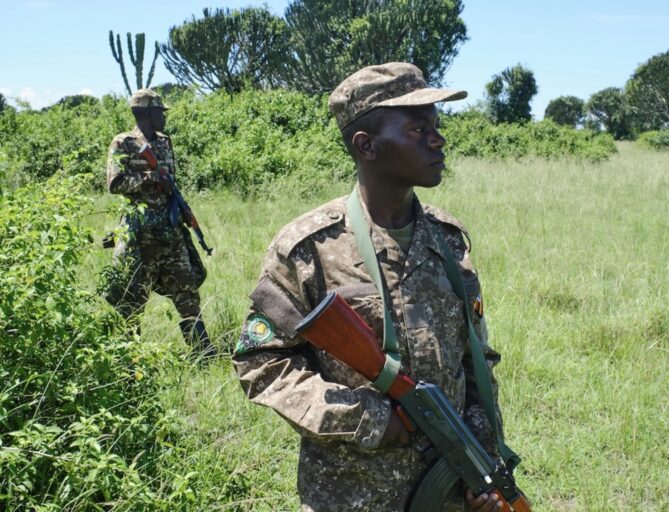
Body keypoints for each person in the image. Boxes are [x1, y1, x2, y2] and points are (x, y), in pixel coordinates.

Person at [233, 63, 509, 511]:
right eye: (418, 129)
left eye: (436, 126)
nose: (438, 139)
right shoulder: (308, 248)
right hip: (350, 495)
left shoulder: (449, 239)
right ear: (367, 145)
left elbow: (477, 361)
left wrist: (482, 463)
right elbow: (260, 363)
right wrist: (366, 418)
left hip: (449, 493)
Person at [103, 88, 214, 358]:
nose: (164, 118)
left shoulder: (165, 141)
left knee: (187, 290)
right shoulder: (124, 142)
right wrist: (149, 178)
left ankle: (203, 353)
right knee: (132, 298)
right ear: (146, 113)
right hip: (140, 235)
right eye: (159, 113)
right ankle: (129, 360)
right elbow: (114, 183)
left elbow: (172, 183)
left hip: (170, 232)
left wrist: (182, 210)